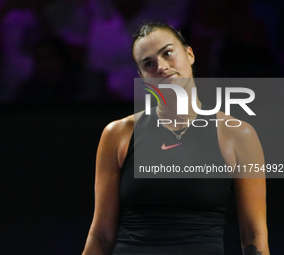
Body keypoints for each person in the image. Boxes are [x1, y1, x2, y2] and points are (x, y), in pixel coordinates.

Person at [82, 22, 269, 255]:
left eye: (167, 53)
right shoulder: (118, 134)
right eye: (148, 64)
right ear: (142, 77)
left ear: (189, 54)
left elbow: (254, 233)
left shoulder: (238, 134)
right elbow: (100, 235)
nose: (161, 67)